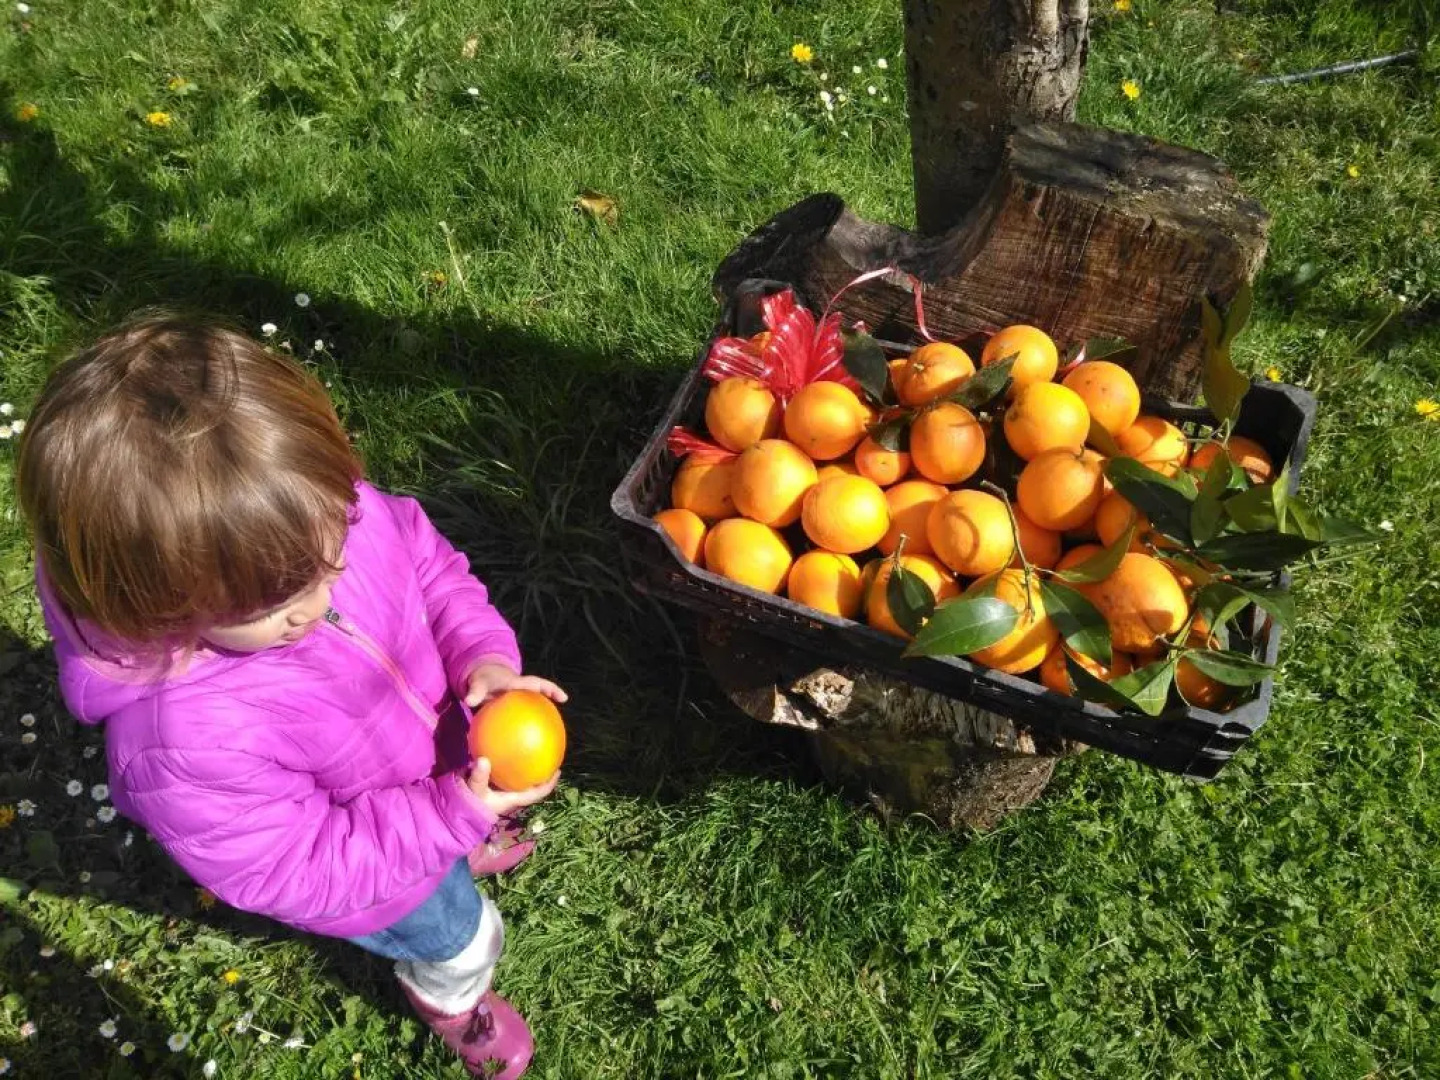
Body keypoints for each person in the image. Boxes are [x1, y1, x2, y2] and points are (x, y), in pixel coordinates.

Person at [15, 314, 560, 1079]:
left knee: (448, 838)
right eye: (272, 606)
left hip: (425, 778)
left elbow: (430, 569)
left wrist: (484, 659)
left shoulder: (307, 515)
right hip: (380, 877)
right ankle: (455, 1003)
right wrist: (441, 818)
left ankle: (461, 838)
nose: (317, 596)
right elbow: (297, 868)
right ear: (159, 607)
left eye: (335, 544)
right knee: (458, 933)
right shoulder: (182, 739)